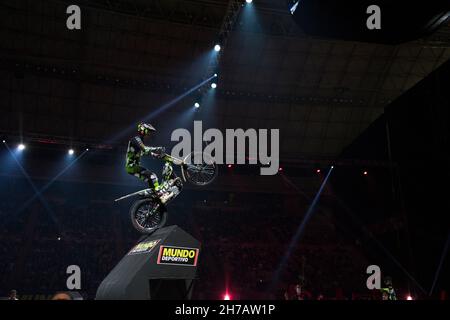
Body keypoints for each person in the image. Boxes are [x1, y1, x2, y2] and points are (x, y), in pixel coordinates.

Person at [125, 122, 181, 203]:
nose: (149, 135)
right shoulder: (136, 139)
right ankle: (159, 193)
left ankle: (154, 194)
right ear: (143, 130)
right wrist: (157, 148)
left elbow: (146, 152)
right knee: (152, 176)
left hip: (132, 167)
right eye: (148, 132)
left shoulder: (139, 142)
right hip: (132, 166)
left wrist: (156, 155)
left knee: (150, 179)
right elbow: (145, 149)